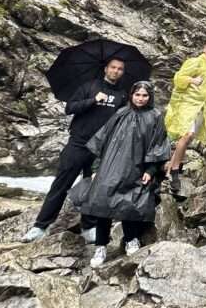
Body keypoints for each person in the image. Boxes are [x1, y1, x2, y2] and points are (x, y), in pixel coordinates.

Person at [23, 57, 127, 243]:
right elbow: (70, 108)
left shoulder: (121, 95)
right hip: (78, 144)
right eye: (113, 67)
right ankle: (40, 226)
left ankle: (88, 227)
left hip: (101, 149)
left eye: (120, 69)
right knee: (61, 184)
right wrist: (92, 100)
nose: (116, 71)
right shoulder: (89, 86)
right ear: (105, 69)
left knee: (93, 188)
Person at [72, 81, 170, 268]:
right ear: (131, 95)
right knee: (102, 205)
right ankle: (101, 247)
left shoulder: (155, 117)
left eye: (145, 95)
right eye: (137, 95)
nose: (140, 98)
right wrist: (95, 169)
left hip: (136, 169)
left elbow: (158, 145)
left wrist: (150, 171)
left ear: (150, 97)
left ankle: (130, 239)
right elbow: (102, 141)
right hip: (110, 168)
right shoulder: (120, 114)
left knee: (130, 204)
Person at [164, 41, 206, 196]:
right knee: (187, 135)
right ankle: (175, 171)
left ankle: (169, 169)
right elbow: (178, 78)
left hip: (201, 107)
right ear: (204, 49)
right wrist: (192, 80)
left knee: (188, 139)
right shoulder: (194, 62)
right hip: (188, 104)